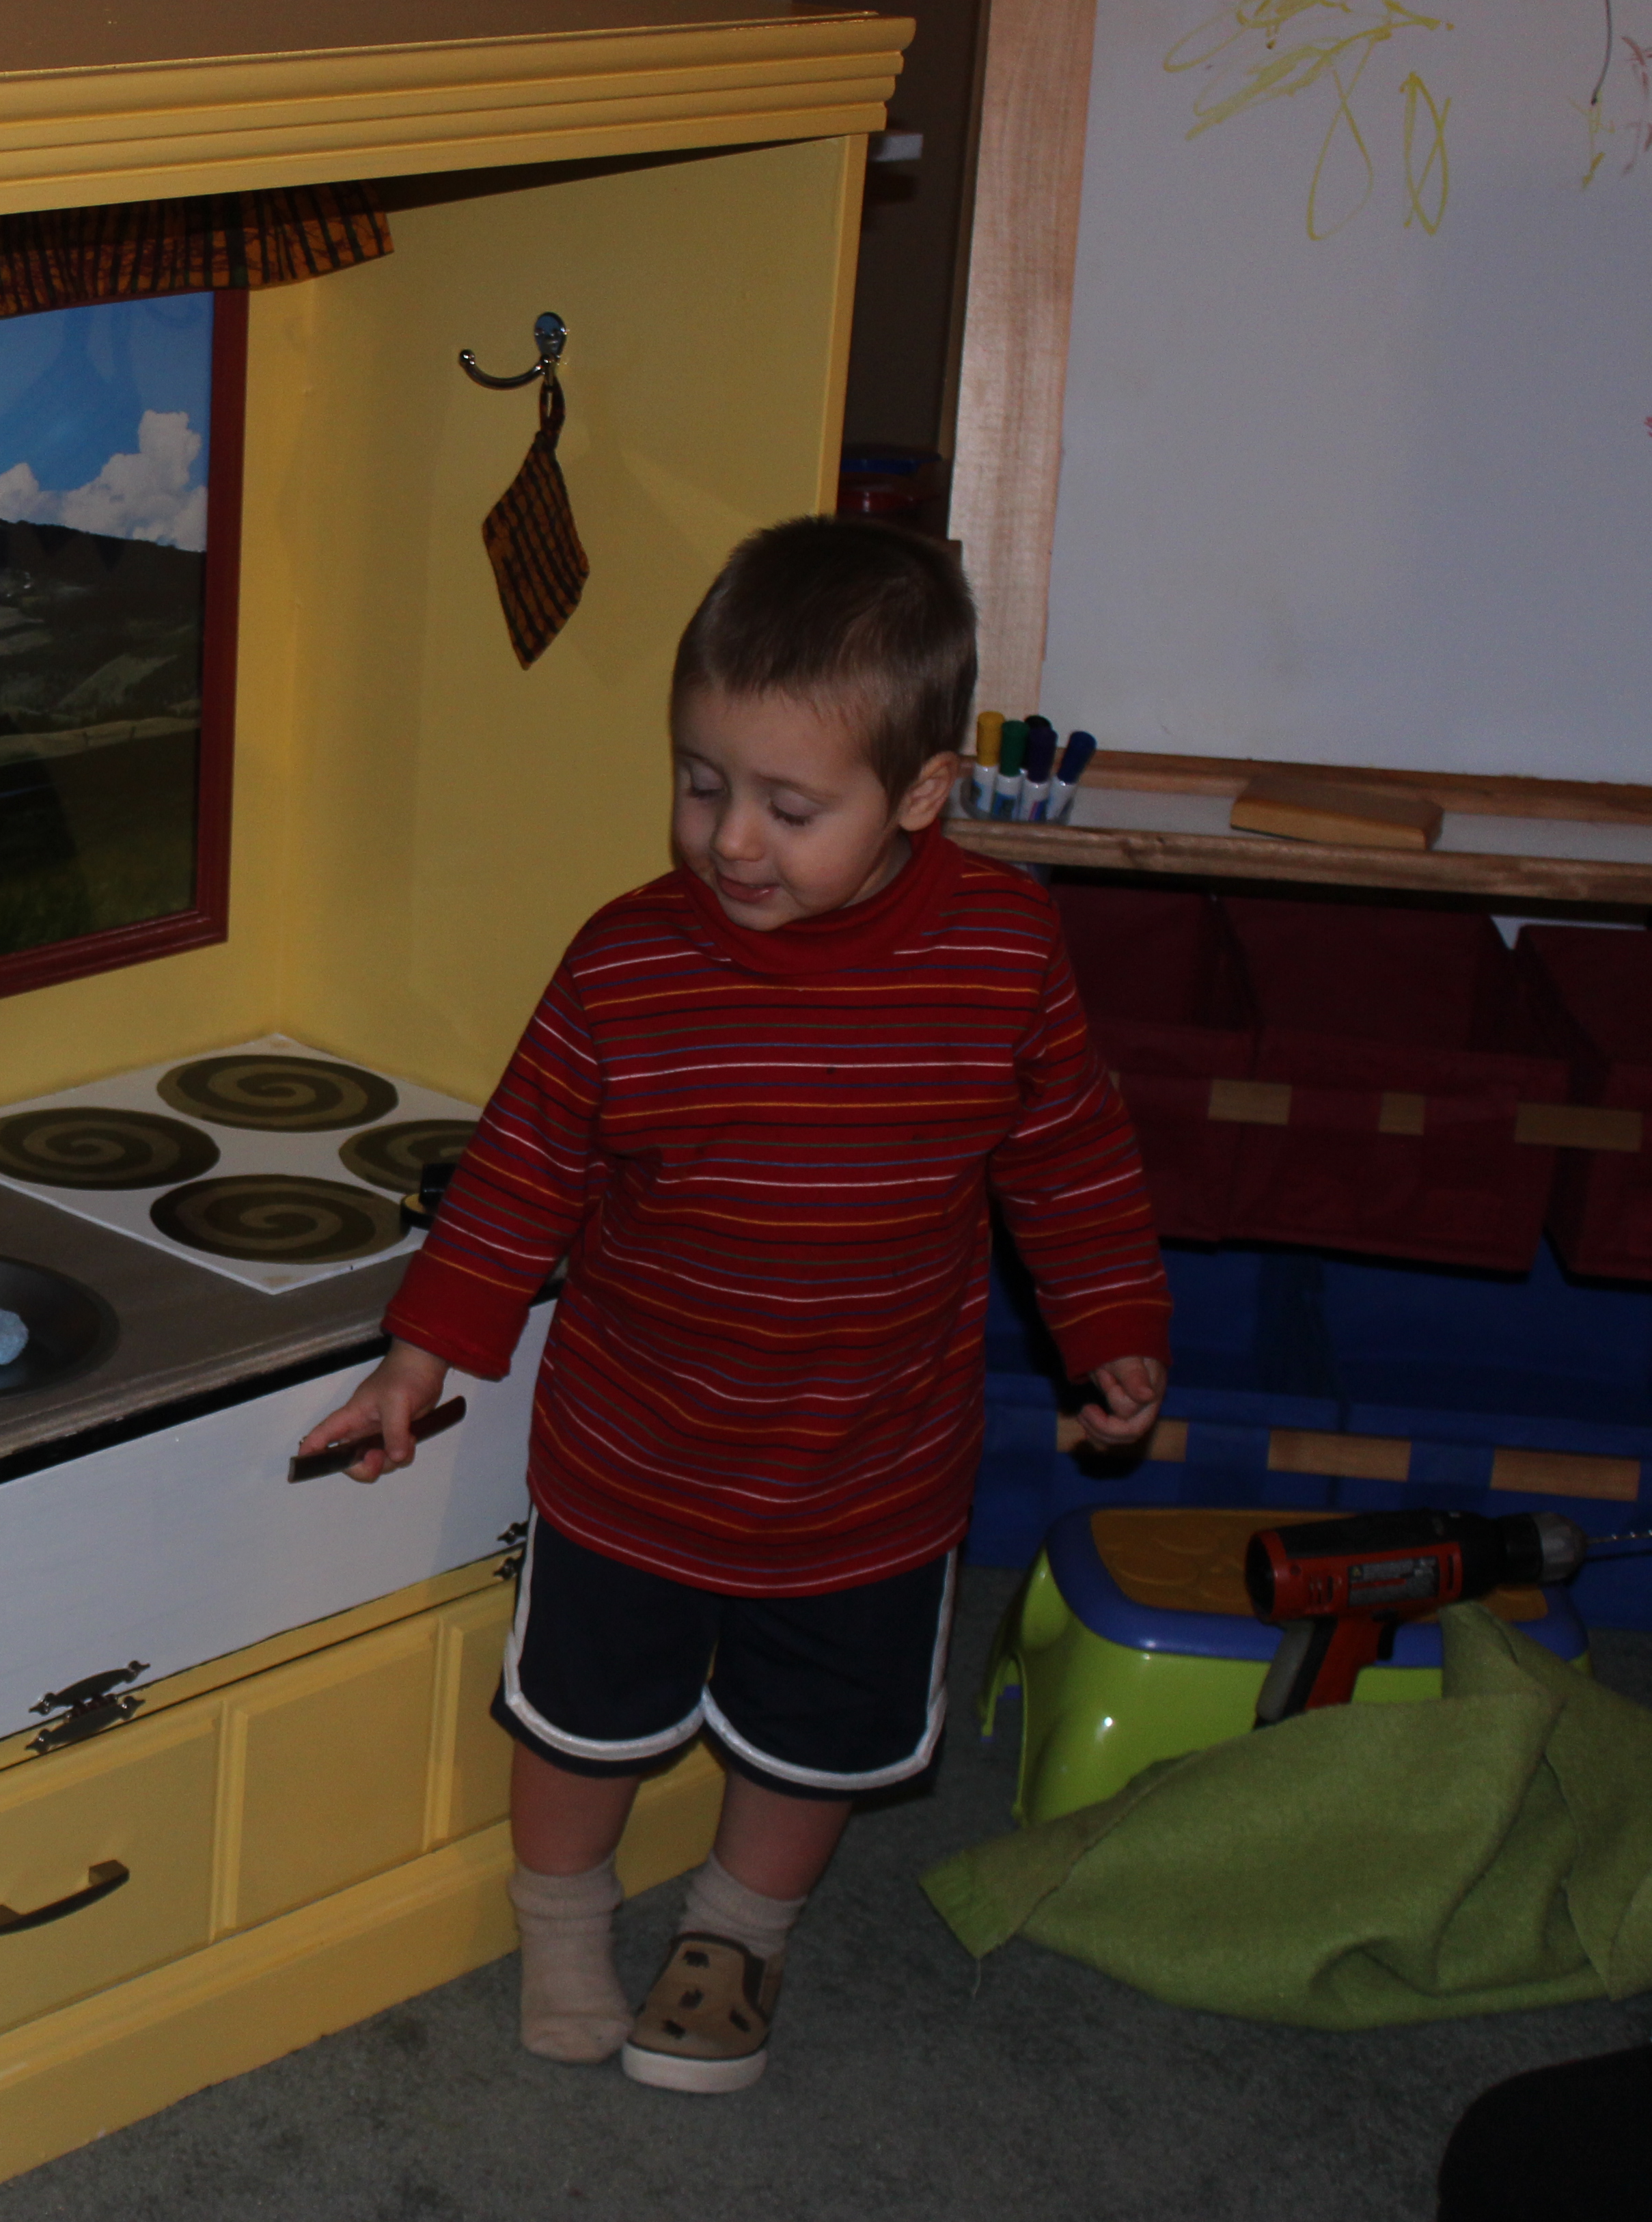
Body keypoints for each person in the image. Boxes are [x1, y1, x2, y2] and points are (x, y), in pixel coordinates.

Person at [299, 517, 1171, 2094]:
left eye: (789, 805)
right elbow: (517, 1175)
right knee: (578, 1718)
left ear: (919, 796)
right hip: (637, 1451)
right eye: (703, 784)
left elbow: (1070, 1157)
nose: (732, 843)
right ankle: (560, 1921)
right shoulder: (627, 965)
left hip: (872, 1467)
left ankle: (735, 1935)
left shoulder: (1006, 953)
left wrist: (1112, 1323)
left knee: (816, 1741)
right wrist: (417, 1358)